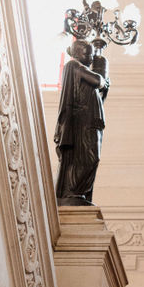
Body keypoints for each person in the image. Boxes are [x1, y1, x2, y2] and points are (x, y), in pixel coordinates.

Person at [54, 38, 109, 205]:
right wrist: (101, 72)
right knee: (87, 157)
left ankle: (80, 193)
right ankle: (73, 191)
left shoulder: (82, 69)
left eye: (92, 55)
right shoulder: (73, 66)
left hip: (92, 122)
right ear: (78, 54)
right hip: (81, 123)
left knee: (93, 158)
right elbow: (98, 81)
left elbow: (101, 89)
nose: (91, 58)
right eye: (88, 54)